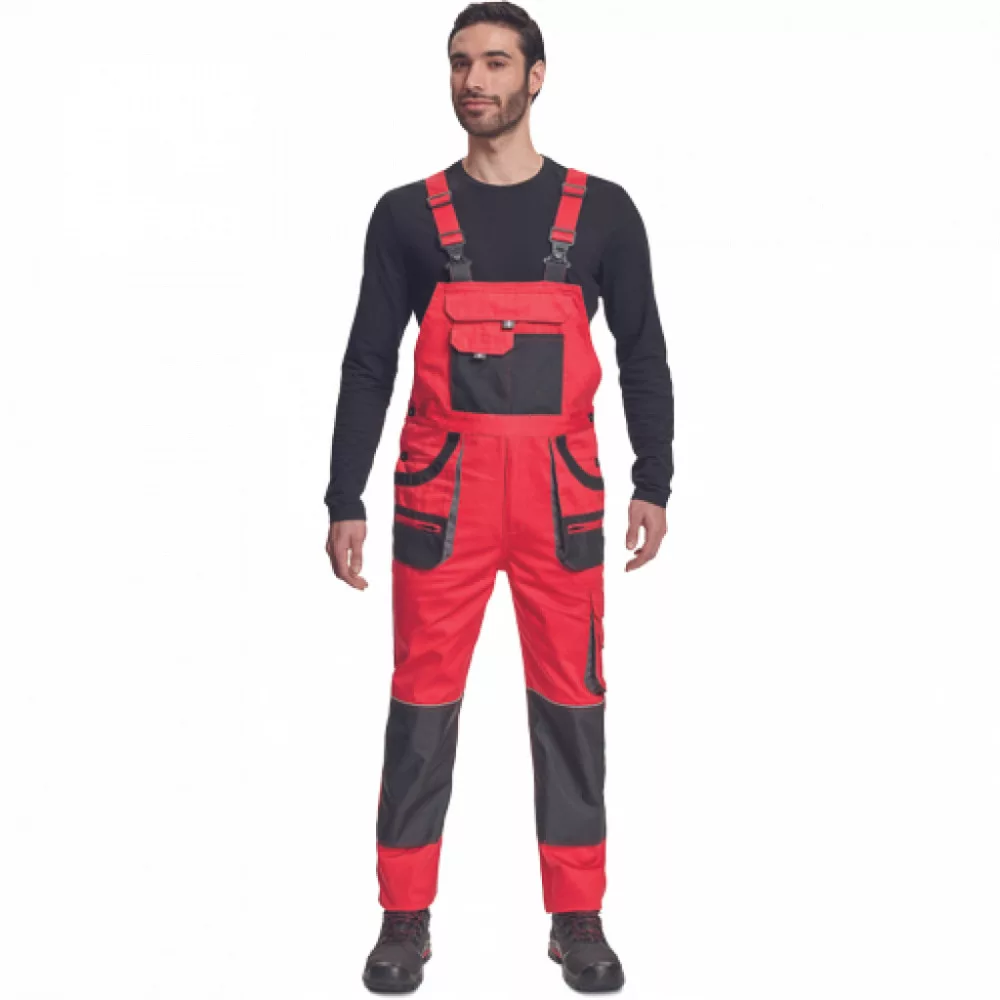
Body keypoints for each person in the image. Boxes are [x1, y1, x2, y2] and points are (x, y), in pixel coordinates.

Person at [324, 3, 674, 993]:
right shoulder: (406, 214)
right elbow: (367, 362)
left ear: (536, 76)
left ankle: (577, 915)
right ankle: (404, 917)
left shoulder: (603, 212)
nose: (472, 80)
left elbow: (643, 353)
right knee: (421, 705)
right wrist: (344, 495)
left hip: (563, 500)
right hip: (442, 501)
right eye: (458, 63)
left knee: (572, 705)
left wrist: (653, 477)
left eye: (493, 62)